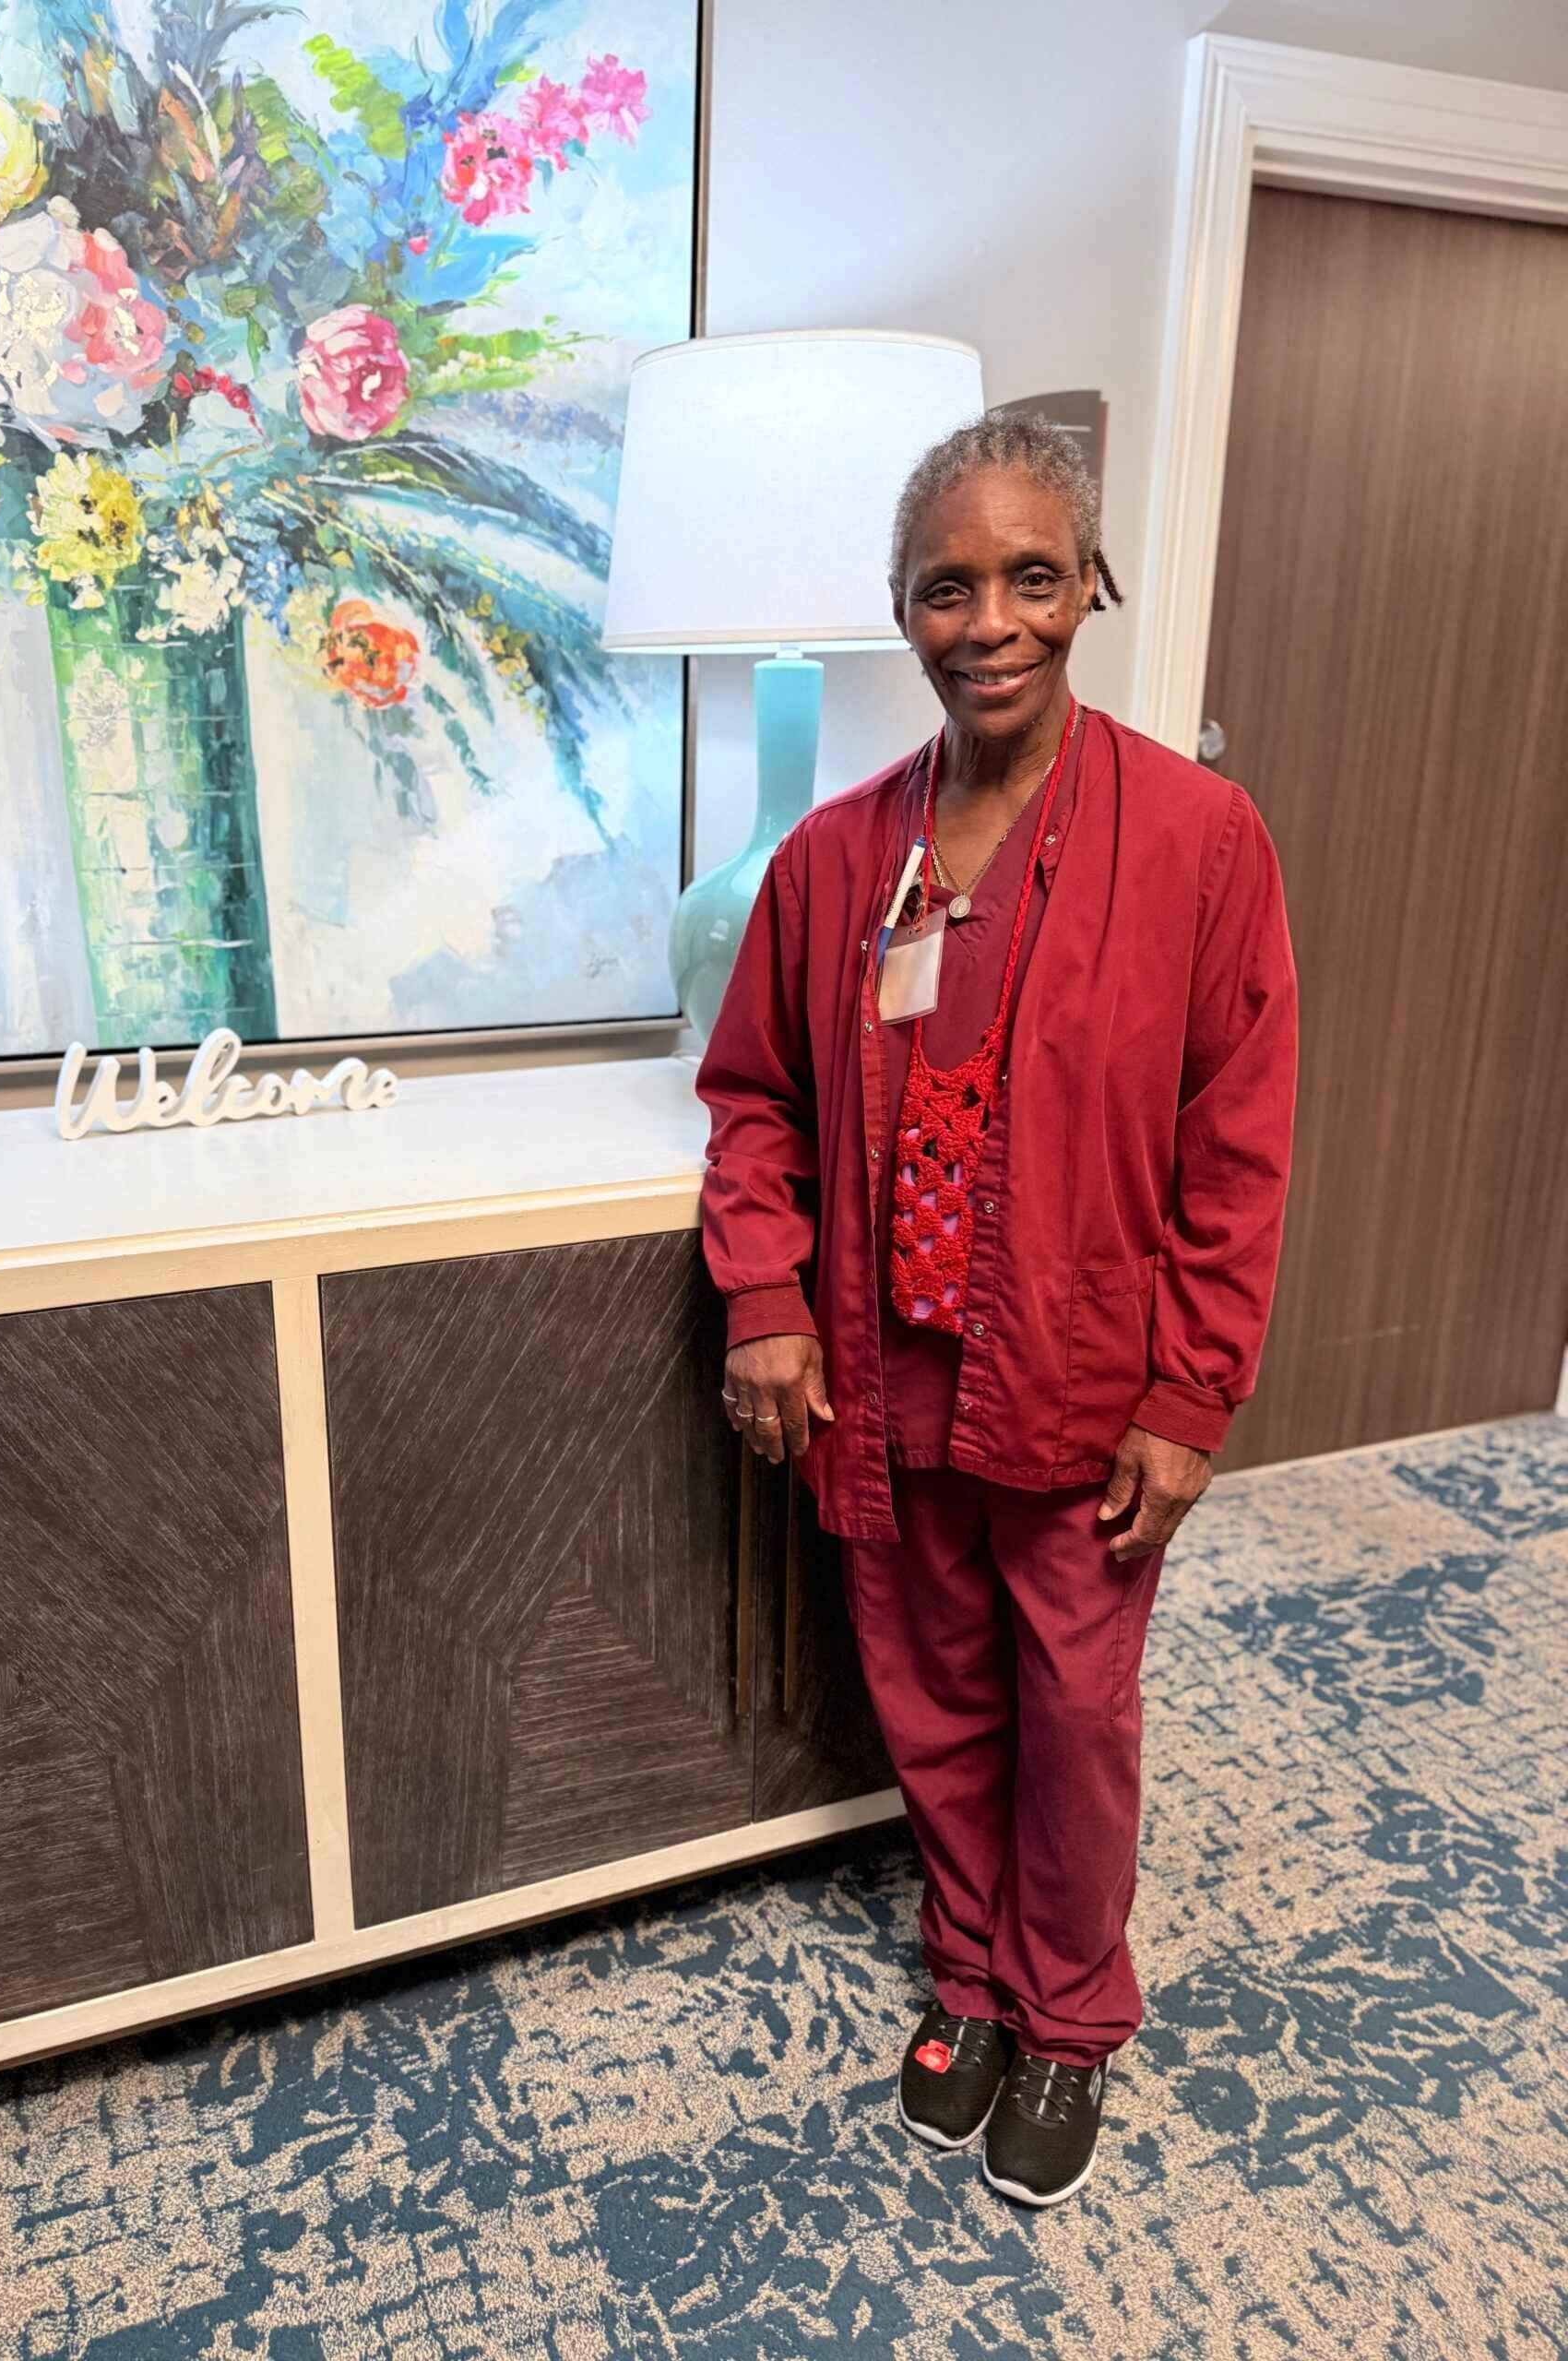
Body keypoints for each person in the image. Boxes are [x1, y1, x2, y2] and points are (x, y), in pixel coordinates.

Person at [694, 410, 1300, 2208]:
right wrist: (763, 1299)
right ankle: (969, 1974)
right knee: (935, 1692)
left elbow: (1239, 1139)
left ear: (1089, 584)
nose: (994, 620)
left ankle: (1070, 2009)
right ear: (903, 612)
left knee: (1076, 1709)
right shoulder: (831, 864)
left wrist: (1189, 1395)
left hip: (1082, 1386)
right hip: (891, 1387)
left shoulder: (1198, 840)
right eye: (949, 586)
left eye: (1033, 575)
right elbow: (754, 1101)